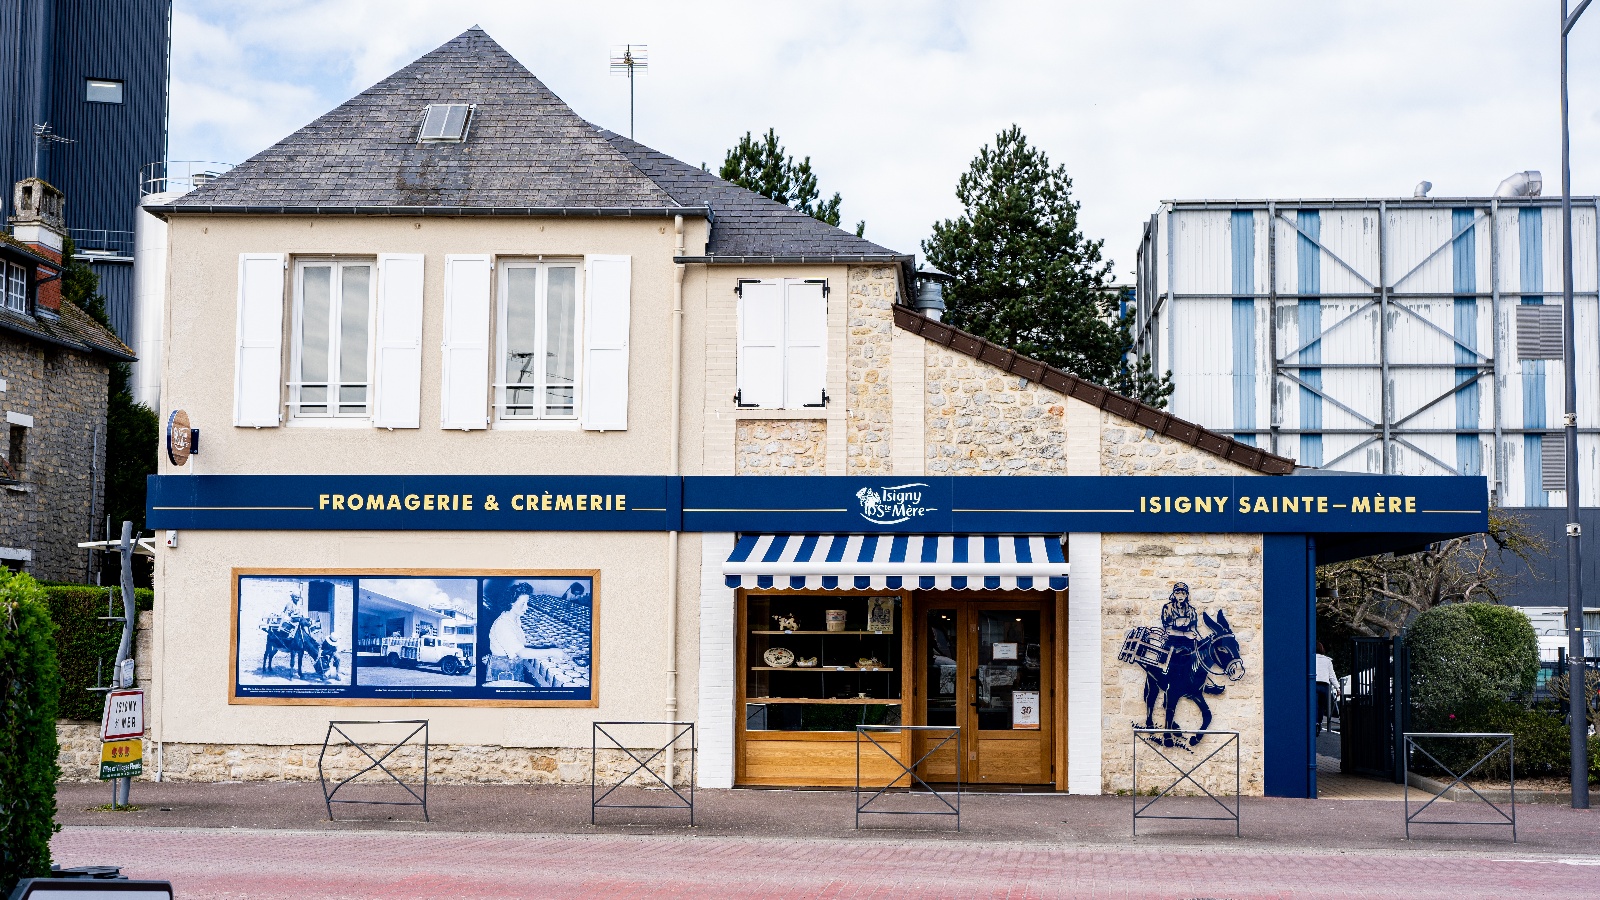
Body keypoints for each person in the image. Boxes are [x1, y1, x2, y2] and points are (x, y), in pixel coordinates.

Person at [1160, 582, 1199, 673]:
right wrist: (1185, 633)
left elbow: (1193, 629)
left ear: (1186, 595)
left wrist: (1199, 639)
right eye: (1177, 593)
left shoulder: (1191, 610)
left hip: (1187, 642)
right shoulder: (1168, 608)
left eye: (1183, 593)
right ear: (1174, 594)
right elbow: (1168, 630)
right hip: (1172, 641)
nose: (1180, 595)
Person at [1315, 642, 1336, 735]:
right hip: (1324, 685)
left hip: (1313, 684)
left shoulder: (1310, 658)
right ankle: (1319, 723)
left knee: (1313, 706)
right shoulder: (1327, 660)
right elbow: (1332, 676)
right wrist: (1338, 688)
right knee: (1321, 706)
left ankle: (1313, 723)